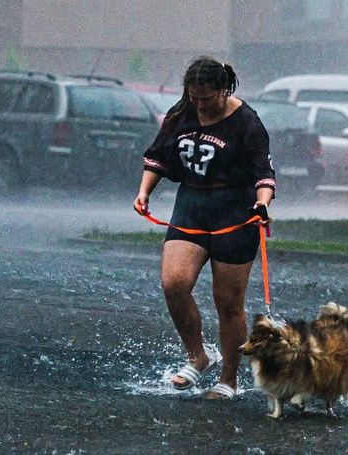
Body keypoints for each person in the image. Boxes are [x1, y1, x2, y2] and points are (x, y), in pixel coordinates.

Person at [133, 56, 275, 400]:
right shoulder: (181, 114)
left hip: (235, 212)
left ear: (224, 90)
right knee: (174, 282)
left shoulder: (247, 123)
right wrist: (144, 191)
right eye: (194, 97)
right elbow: (158, 157)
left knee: (227, 302)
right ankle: (198, 355)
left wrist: (263, 203)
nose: (199, 104)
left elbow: (264, 174)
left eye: (206, 98)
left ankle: (228, 378)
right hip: (192, 206)